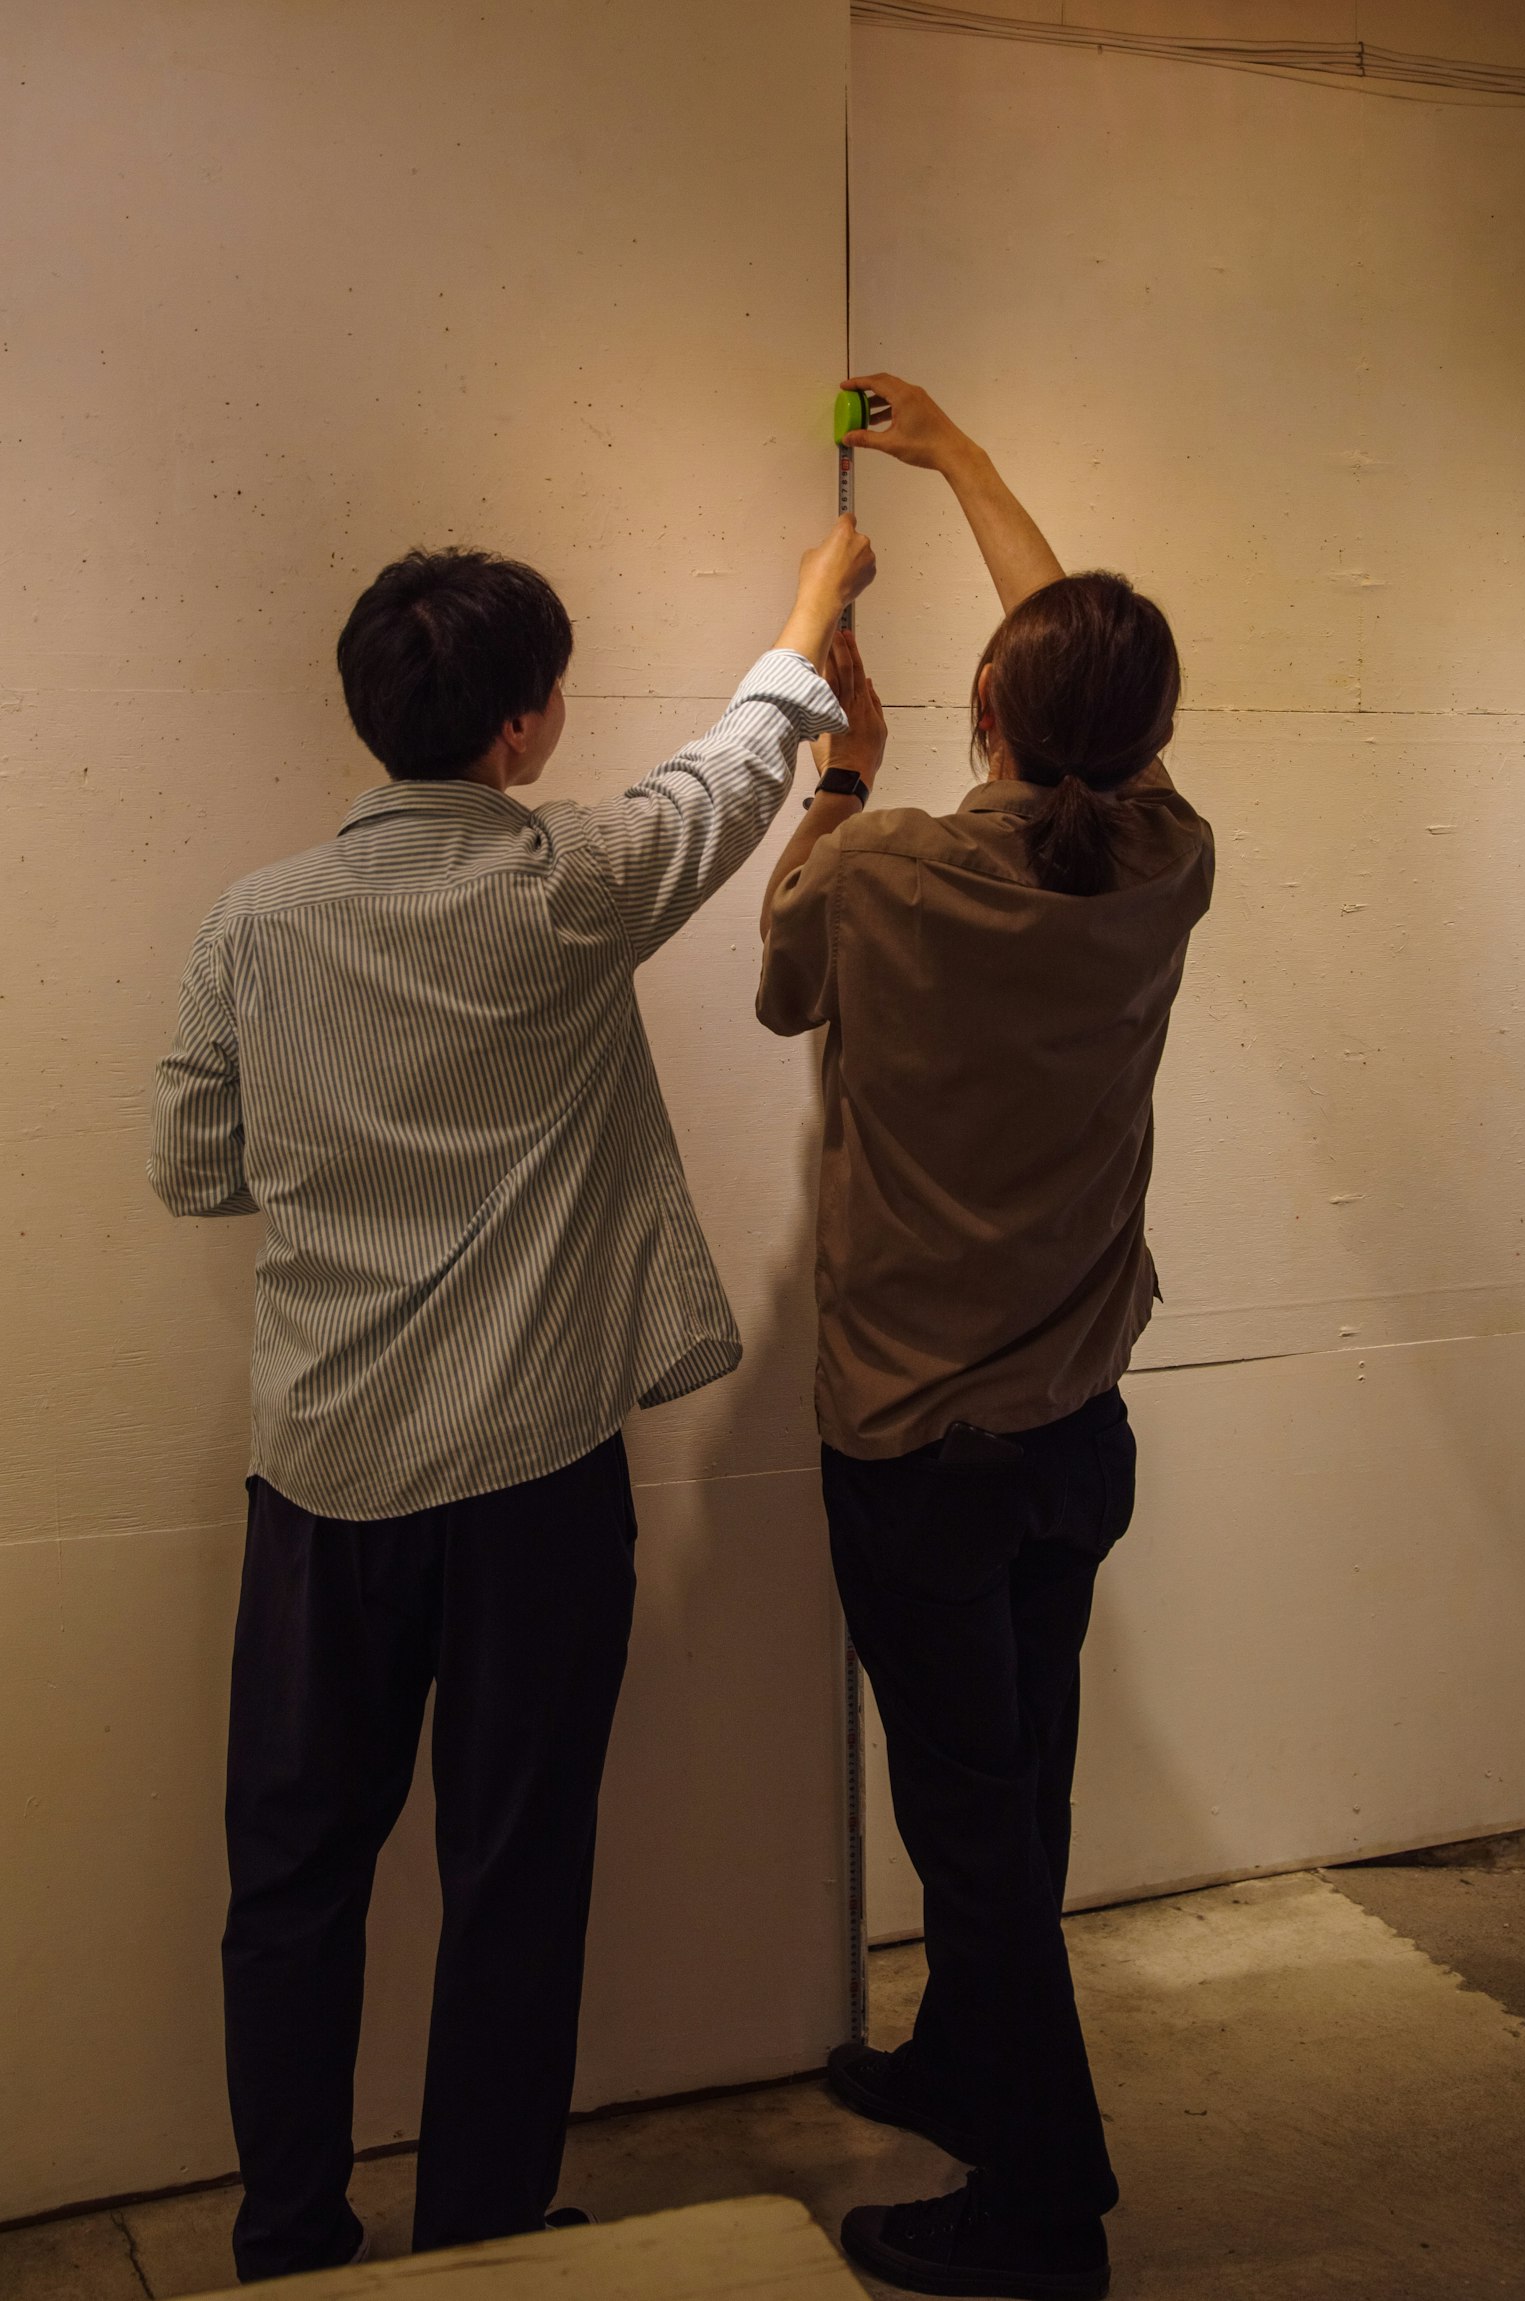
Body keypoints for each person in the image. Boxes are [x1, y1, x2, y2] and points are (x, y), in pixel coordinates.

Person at [148, 512, 874, 2281]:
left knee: (292, 1880)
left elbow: (191, 1162)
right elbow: (733, 770)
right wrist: (811, 604)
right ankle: (478, 2235)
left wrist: (347, 1162)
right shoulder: (568, 884)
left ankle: (289, 2237)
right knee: (516, 1867)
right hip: (534, 1484)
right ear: (531, 724)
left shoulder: (254, 924)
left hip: (321, 1481)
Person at [759, 375, 1214, 2301]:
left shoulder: (880, 873)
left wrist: (842, 770)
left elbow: (782, 984)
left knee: (971, 1829)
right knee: (1016, 1785)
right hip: (1072, 1429)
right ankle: (962, 2058)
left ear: (989, 716)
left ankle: (1046, 2213)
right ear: (1153, 740)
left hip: (917, 1449)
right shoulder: (1167, 862)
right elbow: (1090, 689)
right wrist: (954, 462)